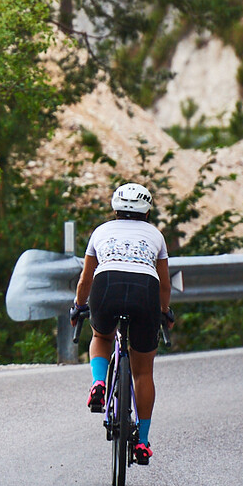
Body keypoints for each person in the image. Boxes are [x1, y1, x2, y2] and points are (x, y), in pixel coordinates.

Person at [74, 182, 173, 465]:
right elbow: (165, 283)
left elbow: (85, 280)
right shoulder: (156, 235)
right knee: (143, 372)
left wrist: (79, 306)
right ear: (147, 210)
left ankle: (99, 382)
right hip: (145, 291)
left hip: (107, 286)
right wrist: (164, 312)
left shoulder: (101, 231)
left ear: (115, 207)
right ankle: (142, 441)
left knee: (102, 337)